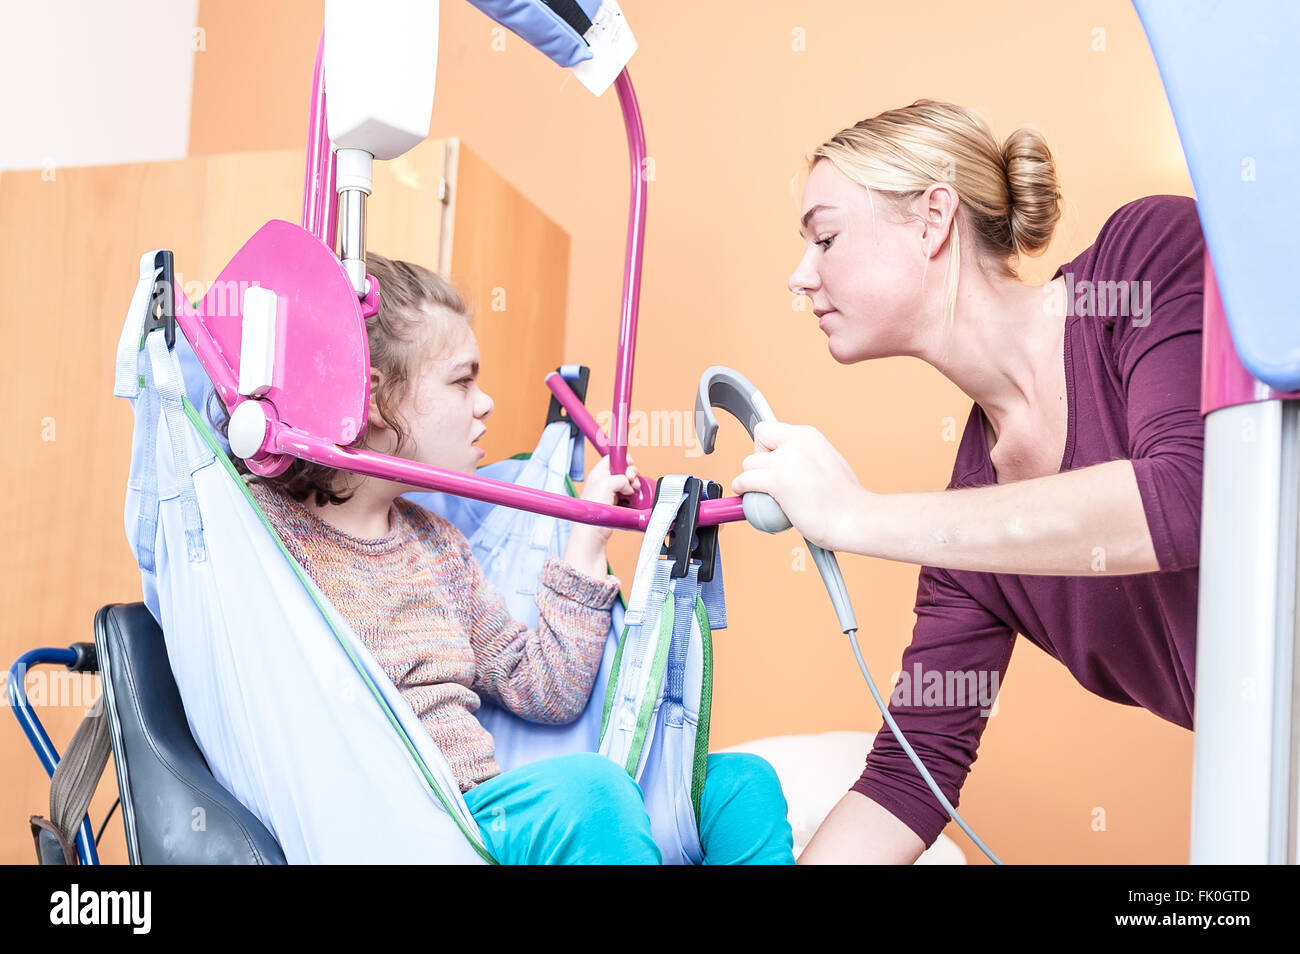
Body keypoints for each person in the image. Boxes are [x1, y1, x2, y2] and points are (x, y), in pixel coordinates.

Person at [730, 100, 1204, 863]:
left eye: (826, 237)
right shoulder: (966, 536)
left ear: (932, 219)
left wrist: (856, 517)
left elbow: (1185, 500)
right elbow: (907, 781)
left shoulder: (1143, 259)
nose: (798, 276)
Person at [219, 253, 795, 865]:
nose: (486, 402)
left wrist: (586, 539)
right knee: (592, 794)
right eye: (462, 381)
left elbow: (546, 690)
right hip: (393, 822)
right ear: (372, 398)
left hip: (478, 818)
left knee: (742, 785)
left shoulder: (439, 546)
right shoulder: (264, 531)